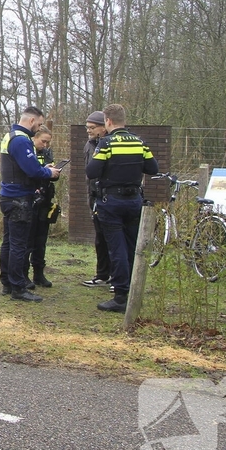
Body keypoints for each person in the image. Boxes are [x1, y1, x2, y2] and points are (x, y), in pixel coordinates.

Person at [86, 104, 159, 312]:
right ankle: (133, 291)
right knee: (131, 247)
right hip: (134, 201)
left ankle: (120, 296)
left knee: (116, 248)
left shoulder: (106, 144)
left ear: (108, 121)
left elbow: (91, 171)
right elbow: (153, 168)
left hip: (111, 202)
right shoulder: (139, 142)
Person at [0, 106, 61, 302]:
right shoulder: (21, 140)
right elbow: (32, 170)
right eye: (39, 124)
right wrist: (49, 172)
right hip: (19, 198)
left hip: (8, 196)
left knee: (9, 242)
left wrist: (41, 168)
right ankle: (18, 287)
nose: (40, 128)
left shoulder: (10, 136)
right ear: (32, 121)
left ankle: (7, 283)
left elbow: (22, 166)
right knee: (19, 244)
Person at [24, 125, 58, 288]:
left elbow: (53, 176)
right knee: (28, 240)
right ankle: (24, 275)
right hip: (31, 200)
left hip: (45, 199)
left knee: (41, 240)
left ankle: (39, 274)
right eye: (43, 141)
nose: (45, 145)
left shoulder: (47, 152)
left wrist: (53, 172)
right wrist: (43, 171)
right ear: (34, 138)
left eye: (48, 142)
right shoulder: (27, 152)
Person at [81, 110, 111, 288]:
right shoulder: (89, 145)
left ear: (104, 127)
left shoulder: (108, 144)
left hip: (108, 197)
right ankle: (102, 274)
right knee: (100, 238)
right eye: (87, 127)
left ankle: (116, 275)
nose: (89, 131)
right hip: (94, 196)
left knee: (112, 238)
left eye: (92, 127)